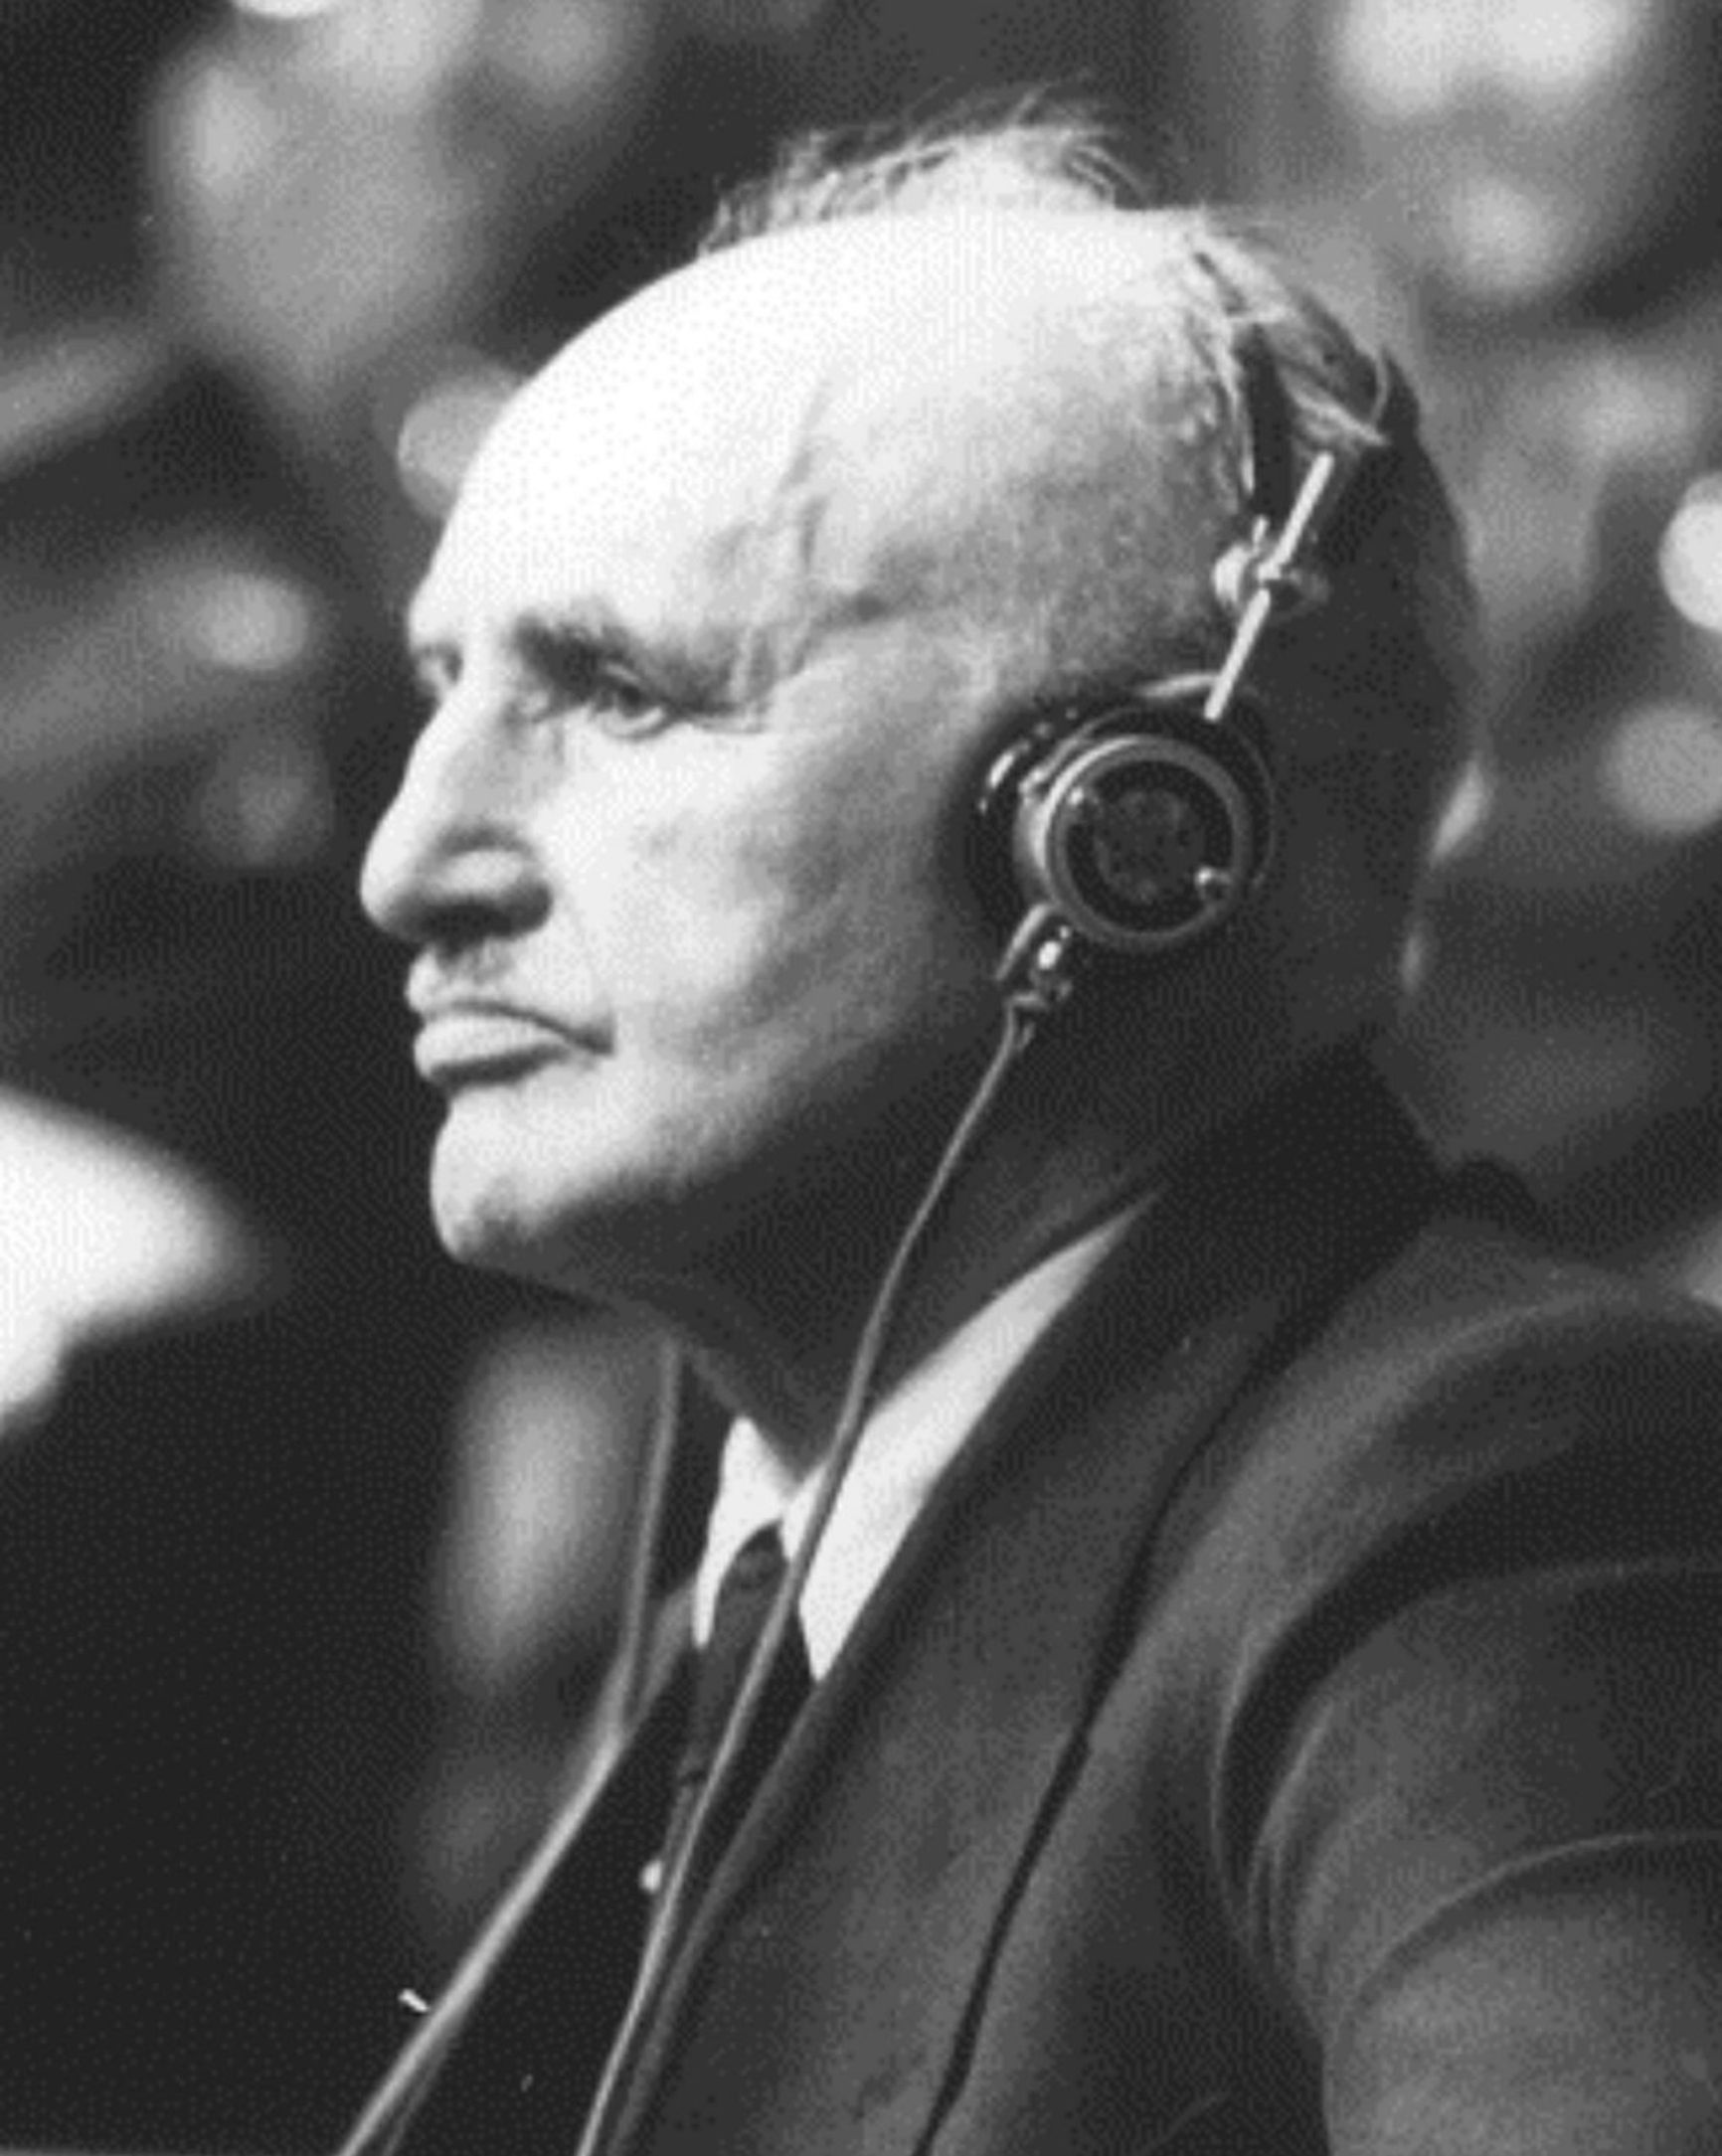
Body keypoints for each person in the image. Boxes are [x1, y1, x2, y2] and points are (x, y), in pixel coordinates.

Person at [349, 113, 1722, 2156]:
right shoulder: (763, 1541)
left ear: (1123, 830)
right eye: (445, 690)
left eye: (622, 690)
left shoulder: (1494, 1505)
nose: (408, 862)